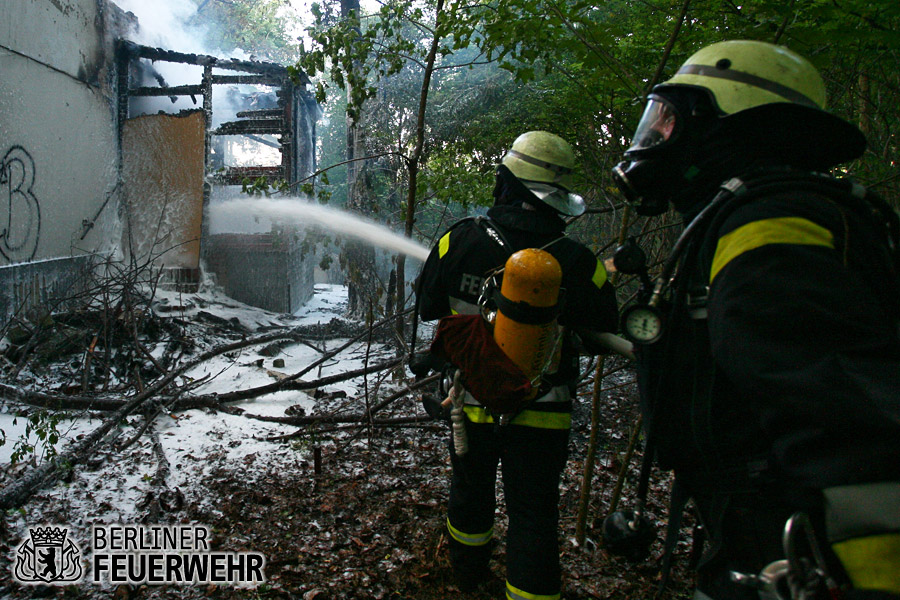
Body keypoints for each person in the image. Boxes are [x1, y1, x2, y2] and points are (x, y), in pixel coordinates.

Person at [612, 40, 900, 599]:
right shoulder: (765, 213)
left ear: (724, 122)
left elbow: (841, 415)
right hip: (756, 533)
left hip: (791, 545)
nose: (656, 137)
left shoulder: (771, 224)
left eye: (667, 121)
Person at [416, 131, 619, 599]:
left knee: (470, 495)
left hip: (469, 403)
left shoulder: (458, 240)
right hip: (544, 409)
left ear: (507, 182)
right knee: (534, 512)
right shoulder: (580, 262)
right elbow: (604, 334)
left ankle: (469, 578)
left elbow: (429, 308)